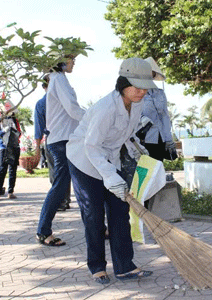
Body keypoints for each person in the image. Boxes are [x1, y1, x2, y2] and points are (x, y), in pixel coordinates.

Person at [66, 57, 156, 284]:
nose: (141, 92)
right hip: (84, 161)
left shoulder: (137, 103)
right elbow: (91, 145)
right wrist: (108, 175)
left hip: (109, 159)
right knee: (94, 216)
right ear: (122, 84)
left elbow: (122, 135)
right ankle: (96, 266)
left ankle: (125, 266)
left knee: (119, 212)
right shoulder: (105, 107)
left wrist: (136, 150)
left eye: (145, 87)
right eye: (136, 87)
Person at [36, 53, 85, 246]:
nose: (74, 62)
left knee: (83, 184)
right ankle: (43, 230)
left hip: (68, 139)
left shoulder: (59, 79)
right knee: (61, 186)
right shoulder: (58, 79)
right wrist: (96, 117)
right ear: (62, 62)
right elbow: (73, 110)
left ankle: (98, 227)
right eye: (72, 59)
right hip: (62, 141)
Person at [34, 75, 70, 211]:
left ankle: (60, 202)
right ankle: (64, 199)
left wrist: (37, 147)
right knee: (65, 171)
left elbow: (39, 127)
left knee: (55, 172)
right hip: (67, 138)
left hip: (53, 139)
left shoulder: (41, 103)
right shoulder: (63, 99)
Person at [141, 57, 177, 161]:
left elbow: (164, 116)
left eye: (151, 74)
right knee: (144, 173)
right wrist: (142, 119)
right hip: (143, 139)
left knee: (158, 169)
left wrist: (169, 139)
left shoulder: (159, 93)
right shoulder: (136, 93)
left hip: (160, 138)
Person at [0, 108, 21, 200]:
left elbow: (19, 132)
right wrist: (4, 131)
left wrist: (14, 131)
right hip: (3, 147)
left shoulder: (14, 120)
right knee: (2, 170)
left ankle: (11, 191)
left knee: (13, 170)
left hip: (14, 146)